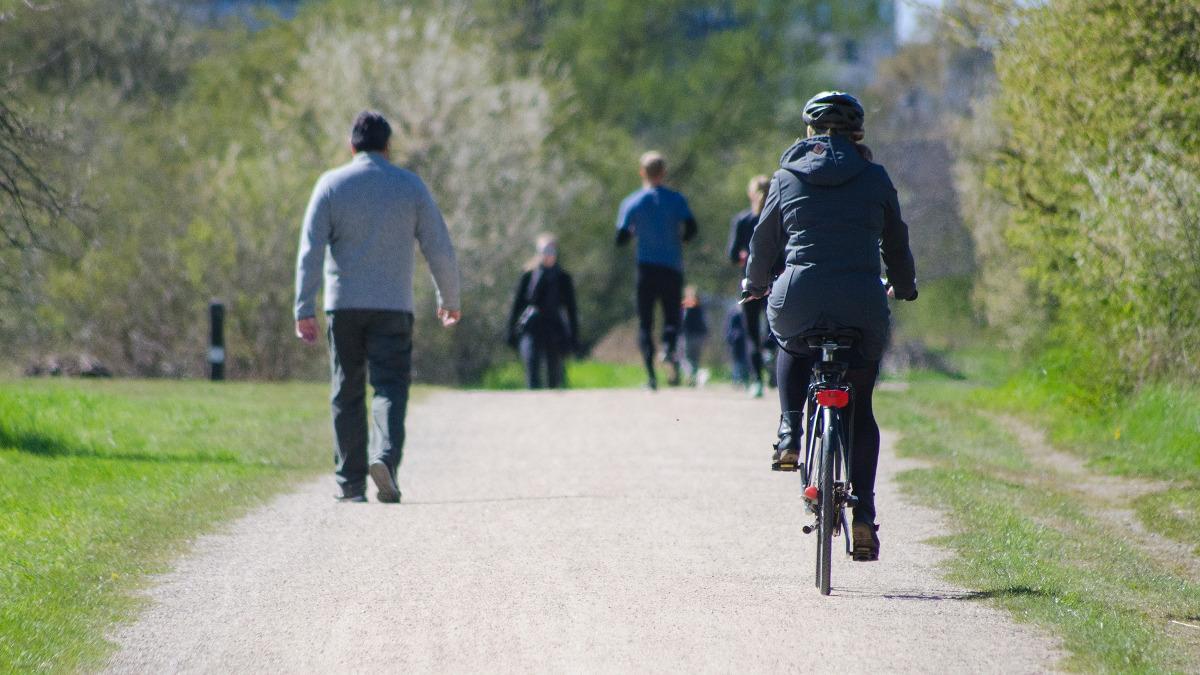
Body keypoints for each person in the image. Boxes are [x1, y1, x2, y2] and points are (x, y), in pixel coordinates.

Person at [742, 91, 917, 561]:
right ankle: (864, 515)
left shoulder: (784, 177)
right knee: (861, 407)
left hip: (799, 296)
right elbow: (896, 244)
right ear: (858, 134)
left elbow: (762, 244)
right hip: (861, 302)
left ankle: (789, 431)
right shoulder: (875, 177)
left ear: (809, 132)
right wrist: (905, 285)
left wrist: (754, 285)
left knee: (791, 341)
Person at [294, 110, 461, 504]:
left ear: (351, 146)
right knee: (389, 387)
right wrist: (449, 299)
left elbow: (310, 251)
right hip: (393, 306)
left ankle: (350, 484)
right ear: (388, 147)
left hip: (344, 306)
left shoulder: (330, 184)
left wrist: (304, 307)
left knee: (346, 390)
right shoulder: (410, 186)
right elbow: (439, 245)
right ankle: (384, 459)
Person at [615, 151, 698, 390]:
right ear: (663, 172)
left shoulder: (632, 202)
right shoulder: (676, 200)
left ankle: (651, 377)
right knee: (672, 316)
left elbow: (620, 238)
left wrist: (634, 232)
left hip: (646, 268)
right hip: (671, 267)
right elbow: (692, 228)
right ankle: (668, 347)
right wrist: (679, 239)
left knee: (645, 322)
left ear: (642, 172)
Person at [506, 234, 579, 389]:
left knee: (554, 373)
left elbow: (571, 309)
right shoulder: (528, 276)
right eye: (545, 250)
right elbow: (517, 305)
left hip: (554, 327)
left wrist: (574, 336)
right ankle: (533, 405)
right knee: (531, 365)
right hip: (532, 326)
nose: (548, 255)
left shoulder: (563, 278)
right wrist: (510, 331)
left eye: (551, 250)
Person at [727, 175, 774, 398]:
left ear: (750, 194)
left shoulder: (743, 220)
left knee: (752, 334)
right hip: (775, 282)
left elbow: (732, 254)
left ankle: (757, 380)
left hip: (750, 283)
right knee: (776, 327)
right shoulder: (778, 218)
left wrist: (743, 257)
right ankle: (770, 353)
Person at [680, 285, 708, 386]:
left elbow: (683, 320)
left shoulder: (686, 306)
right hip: (699, 335)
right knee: (695, 359)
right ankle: (694, 378)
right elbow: (704, 322)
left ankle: (691, 375)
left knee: (685, 358)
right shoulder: (700, 306)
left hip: (689, 335)